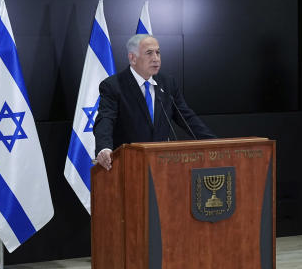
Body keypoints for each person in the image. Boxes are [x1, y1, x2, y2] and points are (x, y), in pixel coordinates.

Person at [93, 34, 216, 171]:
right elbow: (105, 119)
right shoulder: (113, 86)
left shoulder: (167, 83)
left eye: (158, 52)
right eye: (149, 53)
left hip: (163, 164)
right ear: (132, 58)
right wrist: (104, 147)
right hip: (129, 165)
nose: (156, 58)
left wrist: (213, 143)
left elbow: (186, 118)